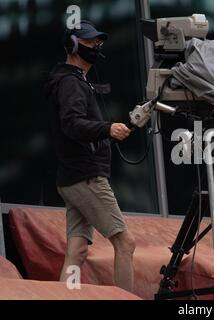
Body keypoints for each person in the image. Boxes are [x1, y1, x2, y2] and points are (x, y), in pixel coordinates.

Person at [44, 20, 136, 292]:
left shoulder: (73, 81)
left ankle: (65, 296)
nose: (96, 47)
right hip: (85, 177)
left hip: (73, 178)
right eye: (89, 41)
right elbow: (72, 124)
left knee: (77, 249)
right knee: (125, 243)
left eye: (98, 42)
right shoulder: (71, 83)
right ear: (72, 45)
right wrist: (107, 129)